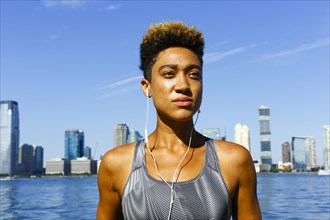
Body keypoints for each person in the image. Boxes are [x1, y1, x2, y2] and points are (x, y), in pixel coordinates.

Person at [97, 21, 261, 220]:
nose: (183, 85)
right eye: (169, 74)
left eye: (194, 74)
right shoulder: (116, 164)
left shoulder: (234, 161)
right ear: (146, 87)